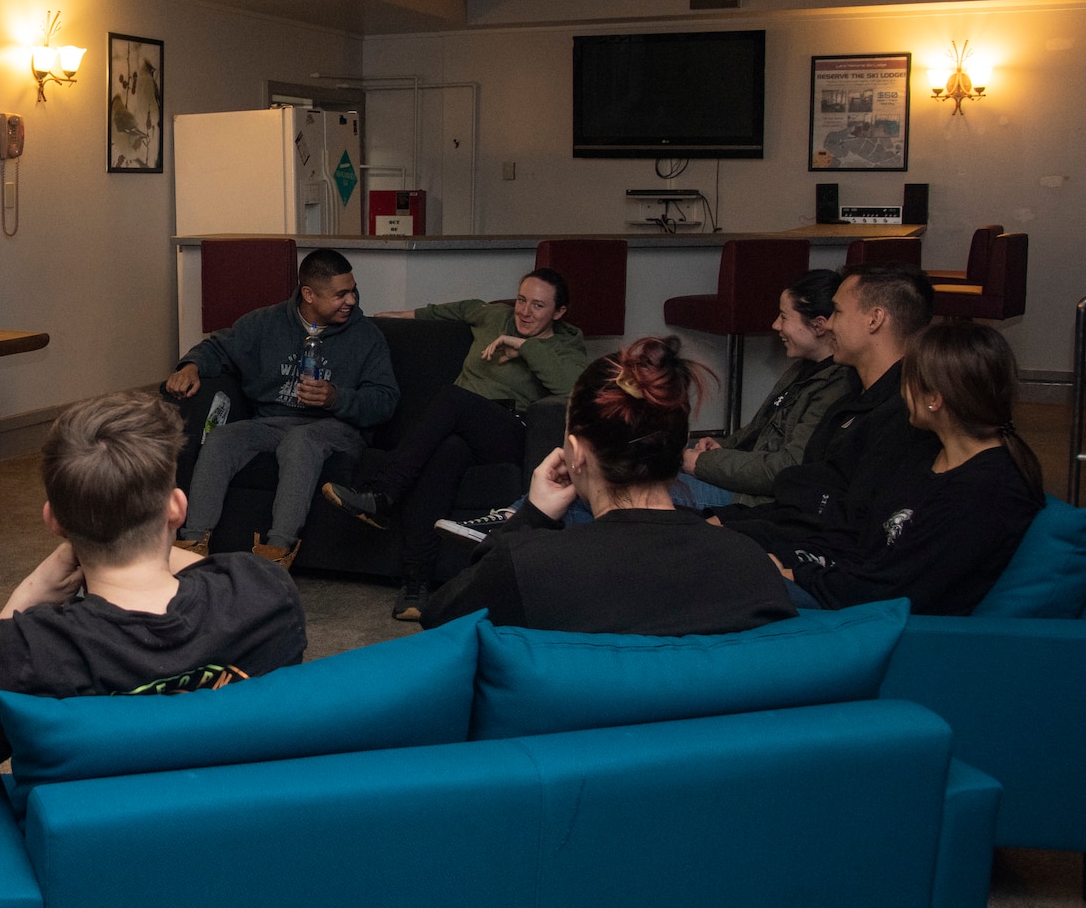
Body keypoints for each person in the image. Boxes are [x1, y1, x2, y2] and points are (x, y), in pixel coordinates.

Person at [0, 391, 308, 770]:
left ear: (54, 521)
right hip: (247, 818)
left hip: (104, 827)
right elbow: (212, 569)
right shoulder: (266, 592)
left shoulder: (30, 650)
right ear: (177, 508)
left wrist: (26, 594)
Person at [424, 337, 796, 635]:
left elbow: (441, 620)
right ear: (675, 447)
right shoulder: (750, 564)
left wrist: (530, 518)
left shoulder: (532, 566)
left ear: (574, 453)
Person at [321, 268, 587, 621]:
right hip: (460, 432)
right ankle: (415, 584)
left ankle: (382, 494)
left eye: (538, 306)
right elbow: (443, 312)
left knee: (453, 398)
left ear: (559, 312)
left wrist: (523, 346)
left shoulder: (566, 344)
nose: (524, 312)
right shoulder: (493, 315)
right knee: (445, 453)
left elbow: (573, 387)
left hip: (508, 432)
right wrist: (389, 319)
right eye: (521, 300)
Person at [773, 319, 1043, 615]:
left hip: (869, 616)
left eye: (907, 379)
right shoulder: (926, 454)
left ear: (934, 399)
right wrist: (791, 561)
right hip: (838, 581)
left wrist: (796, 575)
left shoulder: (986, 491)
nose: (901, 392)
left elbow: (893, 591)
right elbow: (863, 537)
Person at [164, 249, 398, 568]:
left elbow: (385, 400)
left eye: (352, 291)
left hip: (337, 427)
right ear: (309, 294)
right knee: (222, 439)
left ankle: (276, 554)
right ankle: (191, 546)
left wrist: (335, 398)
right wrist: (190, 366)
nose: (351, 301)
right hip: (271, 423)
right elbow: (216, 346)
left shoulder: (367, 338)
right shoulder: (265, 323)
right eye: (340, 294)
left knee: (300, 442)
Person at [715, 261, 937, 554]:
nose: (829, 324)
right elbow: (803, 502)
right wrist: (725, 522)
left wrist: (731, 531)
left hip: (806, 562)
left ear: (875, 320)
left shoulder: (903, 417)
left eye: (839, 312)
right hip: (781, 531)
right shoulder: (852, 401)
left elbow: (838, 530)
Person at [678, 269, 859, 507]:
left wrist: (704, 464)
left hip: (759, 500)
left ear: (818, 326)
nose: (775, 325)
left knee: (642, 491)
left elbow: (787, 468)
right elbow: (757, 430)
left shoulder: (835, 386)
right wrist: (722, 446)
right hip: (748, 476)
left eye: (784, 317)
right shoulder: (803, 367)